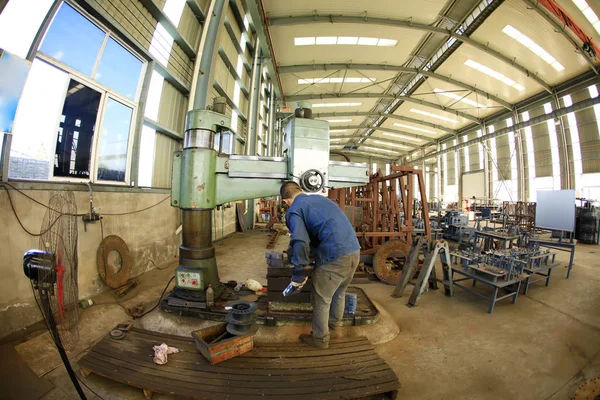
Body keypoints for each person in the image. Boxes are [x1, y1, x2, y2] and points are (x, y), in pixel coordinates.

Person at [280, 181, 360, 349]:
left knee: (321, 300)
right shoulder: (320, 199)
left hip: (334, 257)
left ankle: (320, 339)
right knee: (339, 292)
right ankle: (333, 327)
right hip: (354, 251)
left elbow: (301, 240)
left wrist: (299, 271)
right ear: (301, 190)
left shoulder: (294, 210)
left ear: (285, 201)